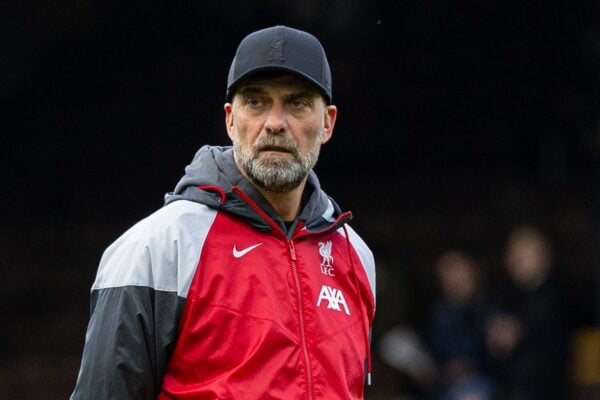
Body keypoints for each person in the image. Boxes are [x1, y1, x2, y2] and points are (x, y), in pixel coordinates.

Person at [70, 25, 376, 399]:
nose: (275, 123)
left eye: (296, 103)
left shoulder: (356, 258)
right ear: (231, 119)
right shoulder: (155, 249)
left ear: (327, 122)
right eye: (256, 102)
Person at [485, 225, 568, 400]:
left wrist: (521, 331)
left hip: (546, 387)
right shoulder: (503, 297)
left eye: (525, 255)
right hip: (507, 386)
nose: (518, 261)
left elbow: (555, 352)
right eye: (514, 254)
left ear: (545, 257)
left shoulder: (561, 295)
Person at [425, 251, 495, 400]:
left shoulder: (491, 306)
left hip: (487, 383)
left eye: (458, 269)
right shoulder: (438, 313)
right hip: (447, 386)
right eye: (447, 272)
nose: (454, 279)